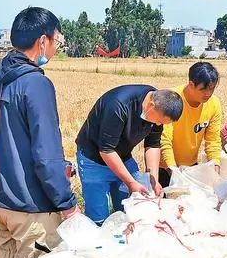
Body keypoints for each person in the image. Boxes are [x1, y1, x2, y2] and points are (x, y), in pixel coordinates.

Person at [0, 7, 79, 258]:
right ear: (41, 41)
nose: (56, 46)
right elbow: (45, 154)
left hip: (3, 201)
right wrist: (67, 204)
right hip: (32, 208)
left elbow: (3, 141)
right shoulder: (36, 84)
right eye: (56, 40)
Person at [76, 85, 183, 224]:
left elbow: (153, 144)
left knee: (130, 211)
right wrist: (131, 182)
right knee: (99, 217)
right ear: (151, 105)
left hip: (123, 156)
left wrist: (153, 179)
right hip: (94, 159)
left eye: (161, 123)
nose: (158, 124)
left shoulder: (159, 107)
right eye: (158, 121)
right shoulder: (118, 105)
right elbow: (106, 150)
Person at [159, 62, 223, 188]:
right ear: (191, 84)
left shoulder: (214, 104)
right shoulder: (172, 100)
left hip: (190, 166)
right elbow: (164, 140)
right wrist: (173, 170)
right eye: (203, 89)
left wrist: (216, 165)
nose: (208, 94)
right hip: (164, 167)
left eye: (212, 88)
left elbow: (213, 140)